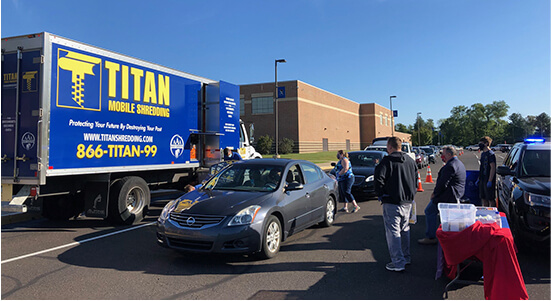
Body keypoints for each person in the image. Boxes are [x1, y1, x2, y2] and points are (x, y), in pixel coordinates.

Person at [374, 137, 418, 272]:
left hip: (392, 201)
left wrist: (381, 195)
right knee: (405, 229)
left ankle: (398, 262)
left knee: (393, 231)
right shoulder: (410, 161)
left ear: (390, 147)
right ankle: (405, 257)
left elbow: (378, 179)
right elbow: (416, 180)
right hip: (407, 201)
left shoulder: (386, 162)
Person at [418, 146, 466, 245]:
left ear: (449, 154)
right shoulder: (459, 164)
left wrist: (435, 194)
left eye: (443, 154)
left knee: (429, 211)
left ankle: (431, 237)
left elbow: (442, 183)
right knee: (447, 217)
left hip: (447, 195)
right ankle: (446, 235)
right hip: (456, 194)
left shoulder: (450, 166)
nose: (441, 156)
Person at [478, 136, 496, 207]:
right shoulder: (483, 154)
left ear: (486, 143)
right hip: (482, 179)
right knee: (484, 198)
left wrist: (490, 180)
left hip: (488, 179)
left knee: (490, 198)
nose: (480, 145)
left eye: (481, 143)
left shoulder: (490, 154)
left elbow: (493, 167)